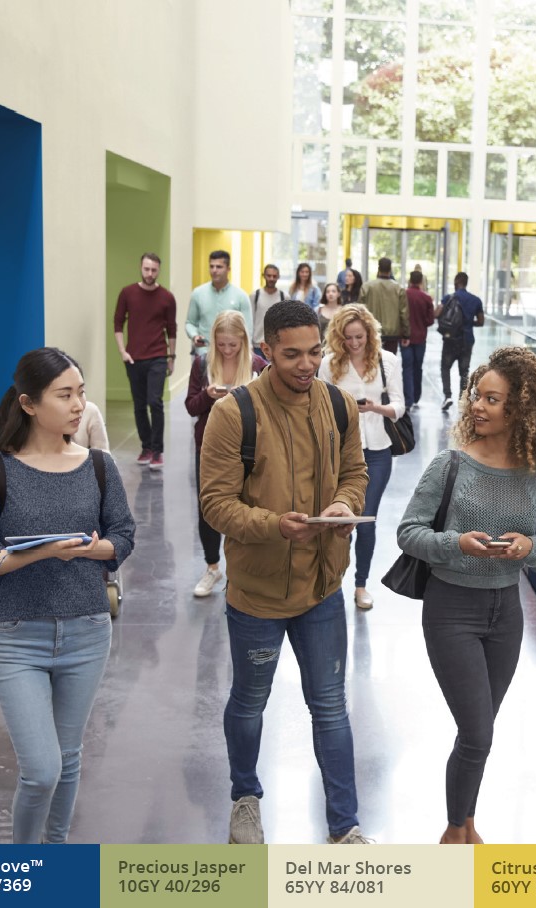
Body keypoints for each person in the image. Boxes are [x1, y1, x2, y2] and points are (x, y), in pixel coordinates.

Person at [397, 346, 536, 845]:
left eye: (492, 399)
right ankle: (452, 831)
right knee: (478, 733)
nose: (477, 407)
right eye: (476, 396)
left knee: (477, 734)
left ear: (521, 409)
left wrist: (529, 549)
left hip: (506, 613)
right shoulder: (451, 464)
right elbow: (409, 532)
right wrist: (454, 543)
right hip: (451, 610)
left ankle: (466, 823)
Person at [200, 300, 370, 845]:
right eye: (292, 354)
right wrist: (276, 525)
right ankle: (244, 800)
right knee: (249, 702)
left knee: (330, 706)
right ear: (266, 351)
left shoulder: (340, 406)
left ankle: (345, 827)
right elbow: (215, 504)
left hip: (323, 586)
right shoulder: (234, 414)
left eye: (314, 351)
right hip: (257, 594)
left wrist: (344, 505)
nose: (306, 364)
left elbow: (354, 473)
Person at [0, 347, 136, 844]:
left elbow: (122, 537)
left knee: (68, 756)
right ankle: (25, 865)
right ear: (29, 403)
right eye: (65, 395)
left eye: (81, 392)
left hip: (87, 629)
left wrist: (87, 550)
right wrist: (42, 553)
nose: (79, 404)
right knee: (41, 770)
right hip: (16, 635)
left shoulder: (99, 466)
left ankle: (54, 854)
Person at [319, 304, 404, 610]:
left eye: (359, 337)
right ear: (339, 337)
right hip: (340, 451)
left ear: (369, 333)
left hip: (379, 450)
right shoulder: (329, 364)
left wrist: (374, 407)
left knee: (365, 521)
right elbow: (320, 406)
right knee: (341, 519)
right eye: (348, 338)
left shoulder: (388, 361)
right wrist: (346, 410)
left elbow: (399, 406)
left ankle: (360, 584)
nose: (354, 343)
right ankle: (333, 582)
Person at [185, 311, 267, 598]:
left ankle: (238, 570)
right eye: (221, 345)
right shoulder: (202, 363)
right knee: (209, 508)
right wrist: (208, 395)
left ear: (243, 341)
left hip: (249, 446)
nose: (227, 350)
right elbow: (191, 407)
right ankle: (212, 567)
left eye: (233, 345)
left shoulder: (258, 365)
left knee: (245, 506)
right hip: (209, 446)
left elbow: (272, 408)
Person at [114, 252, 177, 470]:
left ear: (159, 270)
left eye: (154, 269)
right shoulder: (127, 293)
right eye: (146, 269)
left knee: (155, 402)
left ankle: (158, 451)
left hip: (158, 356)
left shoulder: (167, 297)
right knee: (139, 405)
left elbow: (172, 329)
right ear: (141, 268)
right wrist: (123, 351)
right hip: (134, 358)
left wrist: (171, 357)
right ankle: (146, 447)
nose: (150, 273)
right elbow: (117, 323)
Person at [186, 250, 252, 356]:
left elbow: (247, 329)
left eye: (219, 267)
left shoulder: (241, 296)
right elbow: (190, 323)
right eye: (211, 266)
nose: (214, 270)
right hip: (204, 353)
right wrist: (194, 336)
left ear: (228, 269)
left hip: (231, 356)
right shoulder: (197, 293)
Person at [437, 272, 484, 411]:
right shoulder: (476, 300)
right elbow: (481, 322)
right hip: (467, 340)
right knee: (464, 371)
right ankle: (462, 400)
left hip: (450, 339)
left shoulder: (448, 298)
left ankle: (447, 396)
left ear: (456, 282)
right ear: (466, 282)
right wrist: (468, 323)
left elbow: (437, 313)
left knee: (445, 367)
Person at [359, 257, 410, 353]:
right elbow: (404, 313)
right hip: (392, 334)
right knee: (389, 364)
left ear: (378, 268)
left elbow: (359, 310)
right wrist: (406, 334)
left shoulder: (367, 287)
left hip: (371, 331)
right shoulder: (398, 289)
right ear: (390, 270)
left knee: (371, 361)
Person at [402, 270, 435, 410]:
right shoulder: (426, 298)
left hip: (405, 338)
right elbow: (430, 320)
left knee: (407, 367)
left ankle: (408, 400)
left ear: (410, 280)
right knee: (418, 367)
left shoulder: (403, 295)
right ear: (421, 282)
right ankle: (416, 396)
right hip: (421, 337)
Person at [251, 264, 285, 356]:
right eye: (269, 275)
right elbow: (250, 320)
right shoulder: (255, 295)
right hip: (257, 344)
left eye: (274, 276)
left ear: (278, 277)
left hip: (276, 344)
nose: (271, 279)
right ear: (263, 276)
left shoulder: (284, 296)